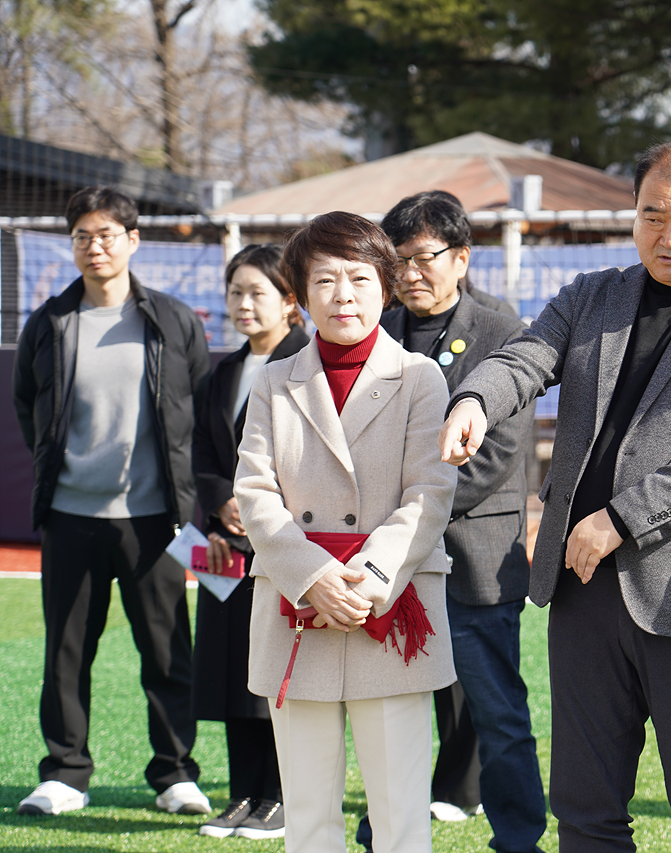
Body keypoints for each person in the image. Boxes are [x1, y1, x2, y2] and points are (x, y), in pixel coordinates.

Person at [439, 140, 671, 852]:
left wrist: (619, 519)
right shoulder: (592, 295)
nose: (667, 236)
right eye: (650, 216)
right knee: (585, 805)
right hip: (581, 588)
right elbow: (527, 357)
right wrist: (476, 399)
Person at [235, 211, 457, 853]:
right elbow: (254, 492)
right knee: (306, 818)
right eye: (325, 280)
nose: (344, 295)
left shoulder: (421, 376)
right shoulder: (274, 381)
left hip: (388, 610)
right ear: (300, 296)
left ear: (385, 289)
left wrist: (368, 579)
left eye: (360, 278)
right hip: (296, 612)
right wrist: (312, 578)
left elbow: (430, 491)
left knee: (400, 816)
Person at [13, 186, 211, 817]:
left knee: (167, 650)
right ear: (71, 245)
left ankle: (175, 773)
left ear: (132, 240)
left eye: (106, 235)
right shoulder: (48, 322)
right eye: (81, 236)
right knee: (66, 651)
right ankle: (65, 773)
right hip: (71, 517)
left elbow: (201, 414)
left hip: (156, 521)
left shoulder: (173, 320)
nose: (94, 246)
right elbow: (28, 405)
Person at [377, 191, 546, 852]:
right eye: (399, 261)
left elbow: (495, 457)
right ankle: (385, 827)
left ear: (461, 257)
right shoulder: (379, 328)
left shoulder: (501, 332)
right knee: (391, 709)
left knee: (496, 709)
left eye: (424, 258)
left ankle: (519, 836)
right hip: (391, 561)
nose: (410, 273)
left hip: (474, 551)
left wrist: (399, 516)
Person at [191, 243, 309, 839]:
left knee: (277, 671)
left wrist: (263, 507)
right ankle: (242, 794)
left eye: (257, 292)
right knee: (234, 670)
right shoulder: (224, 370)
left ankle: (282, 797)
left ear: (292, 302)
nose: (243, 304)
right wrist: (218, 508)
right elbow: (203, 455)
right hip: (229, 548)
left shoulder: (306, 364)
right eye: (235, 292)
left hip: (289, 544)